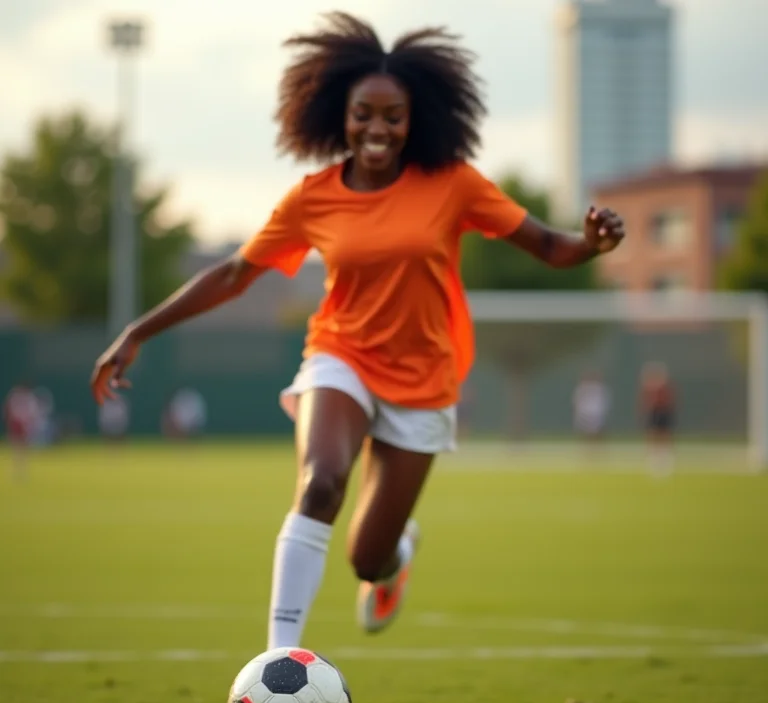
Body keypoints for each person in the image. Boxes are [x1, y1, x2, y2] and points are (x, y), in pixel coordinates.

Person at [90, 12, 625, 650]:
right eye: (362, 113)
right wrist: (139, 331)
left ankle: (395, 552)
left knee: (364, 560)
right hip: (338, 356)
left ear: (415, 118)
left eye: (392, 115)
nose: (376, 127)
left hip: (424, 380)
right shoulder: (312, 198)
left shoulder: (453, 184)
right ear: (335, 115)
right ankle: (279, 659)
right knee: (320, 482)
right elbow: (234, 274)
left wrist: (591, 245)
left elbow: (548, 245)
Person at [639, 361, 676, 476]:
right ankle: (652, 456)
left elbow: (670, 399)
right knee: (652, 433)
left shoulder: (664, 387)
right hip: (654, 411)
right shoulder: (650, 387)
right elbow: (645, 400)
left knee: (664, 433)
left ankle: (664, 456)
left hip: (663, 411)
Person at [3, 381, 42, 480]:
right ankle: (19, 469)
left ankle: (22, 470)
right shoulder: (16, 397)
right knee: (18, 447)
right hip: (17, 424)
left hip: (23, 424)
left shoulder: (27, 398)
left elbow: (32, 412)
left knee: (22, 448)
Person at [572, 371, 611, 448]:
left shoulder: (599, 388)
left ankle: (598, 448)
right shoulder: (582, 389)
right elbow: (577, 402)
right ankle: (587, 448)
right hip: (585, 413)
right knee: (586, 432)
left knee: (597, 432)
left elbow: (604, 401)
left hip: (596, 413)